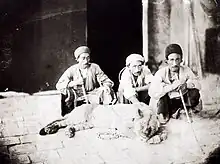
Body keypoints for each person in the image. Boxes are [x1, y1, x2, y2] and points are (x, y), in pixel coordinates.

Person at [149, 44, 202, 124]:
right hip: (167, 102)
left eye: (177, 59)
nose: (174, 63)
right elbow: (152, 92)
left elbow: (198, 85)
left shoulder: (186, 70)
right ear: (166, 61)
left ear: (181, 60)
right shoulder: (161, 73)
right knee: (161, 98)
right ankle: (164, 114)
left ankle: (182, 110)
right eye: (171, 60)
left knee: (195, 93)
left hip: (180, 100)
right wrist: (172, 86)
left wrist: (186, 85)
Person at [56, 46, 115, 116]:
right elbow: (59, 85)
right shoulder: (72, 70)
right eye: (83, 58)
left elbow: (105, 80)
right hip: (80, 96)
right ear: (77, 59)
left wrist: (107, 86)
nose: (86, 61)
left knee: (104, 92)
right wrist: (75, 83)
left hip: (94, 93)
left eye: (88, 57)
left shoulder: (95, 67)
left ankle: (106, 115)